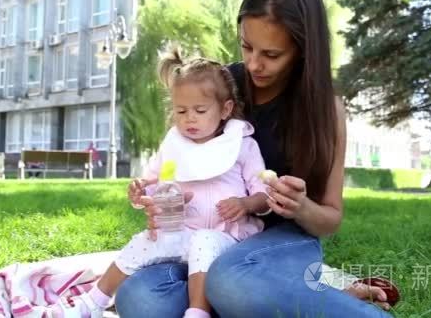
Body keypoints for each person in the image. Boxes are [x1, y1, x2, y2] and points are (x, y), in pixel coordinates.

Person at [114, 0, 396, 317]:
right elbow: (174, 161)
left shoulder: (325, 110)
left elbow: (330, 219)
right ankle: (309, 293)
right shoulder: (220, 88)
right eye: (246, 47)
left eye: (271, 54)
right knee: (140, 299)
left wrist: (300, 206)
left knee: (232, 281)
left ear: (303, 50)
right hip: (203, 239)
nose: (253, 64)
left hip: (280, 241)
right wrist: (162, 197)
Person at [56, 47, 272, 318]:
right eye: (181, 111)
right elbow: (157, 179)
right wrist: (141, 189)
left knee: (203, 241)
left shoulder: (241, 145)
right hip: (183, 233)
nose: (189, 118)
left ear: (225, 109)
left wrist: (245, 203)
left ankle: (197, 312)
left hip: (226, 237)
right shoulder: (174, 145)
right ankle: (92, 302)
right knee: (145, 239)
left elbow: (264, 194)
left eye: (200, 110)